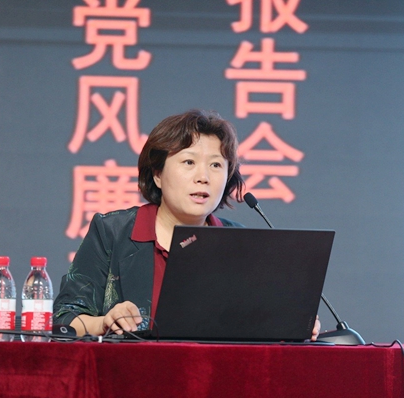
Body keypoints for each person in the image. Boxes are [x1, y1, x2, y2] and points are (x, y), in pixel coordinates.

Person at [53, 109, 321, 340]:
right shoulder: (113, 231)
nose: (203, 177)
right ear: (158, 174)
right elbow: (64, 318)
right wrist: (104, 322)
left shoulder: (240, 242)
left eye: (216, 165)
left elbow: (257, 326)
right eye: (189, 162)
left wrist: (291, 324)